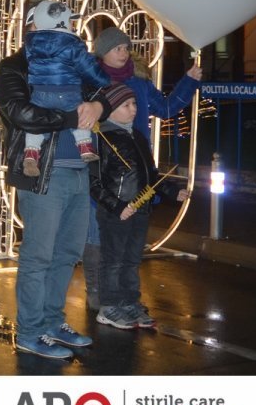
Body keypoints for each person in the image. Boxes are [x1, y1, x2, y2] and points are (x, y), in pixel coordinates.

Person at [0, 8, 110, 361]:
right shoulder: (14, 66)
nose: (66, 30)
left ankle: (52, 323)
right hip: (41, 173)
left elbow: (103, 88)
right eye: (58, 24)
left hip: (79, 170)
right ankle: (30, 332)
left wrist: (98, 106)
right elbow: (19, 112)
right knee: (39, 256)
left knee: (67, 255)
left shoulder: (72, 57)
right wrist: (71, 116)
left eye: (69, 25)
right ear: (31, 27)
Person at [80, 26, 202, 308]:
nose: (123, 53)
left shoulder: (140, 83)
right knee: (98, 233)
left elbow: (167, 108)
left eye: (125, 48)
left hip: (136, 169)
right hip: (104, 166)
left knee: (131, 239)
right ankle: (98, 293)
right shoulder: (90, 82)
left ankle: (123, 298)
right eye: (116, 49)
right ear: (102, 53)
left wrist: (189, 81)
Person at [89, 84, 189, 330]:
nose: (134, 110)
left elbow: (150, 175)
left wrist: (172, 191)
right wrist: (117, 206)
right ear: (110, 109)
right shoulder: (102, 139)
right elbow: (94, 182)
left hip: (141, 209)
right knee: (113, 260)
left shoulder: (137, 136)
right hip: (117, 213)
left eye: (134, 104)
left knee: (132, 260)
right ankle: (109, 306)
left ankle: (129, 301)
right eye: (127, 105)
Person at [20, 0, 110, 176]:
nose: (73, 25)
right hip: (68, 91)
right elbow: (88, 68)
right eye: (71, 21)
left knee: (34, 127)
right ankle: (85, 146)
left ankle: (31, 153)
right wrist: (103, 80)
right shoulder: (73, 44)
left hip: (41, 92)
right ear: (62, 22)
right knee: (80, 116)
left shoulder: (31, 45)